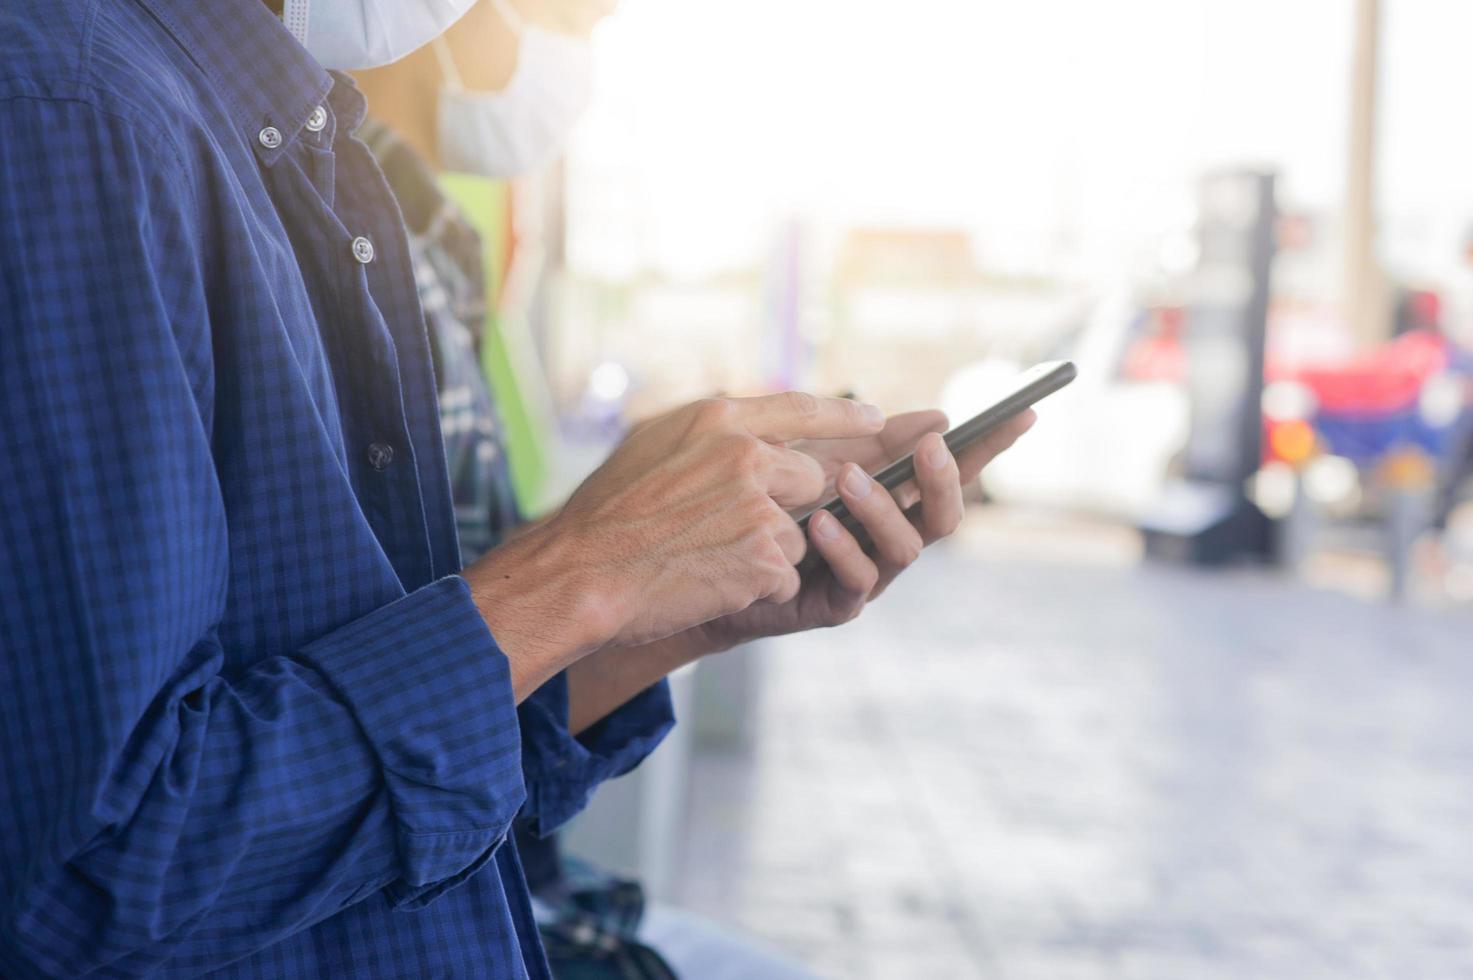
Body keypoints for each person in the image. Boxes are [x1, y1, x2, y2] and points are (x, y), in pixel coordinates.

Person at [0, 2, 1033, 979]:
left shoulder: (248, 137)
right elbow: (93, 872)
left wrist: (671, 611)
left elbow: (390, 766)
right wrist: (584, 570)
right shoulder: (74, 113)